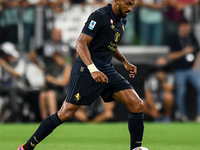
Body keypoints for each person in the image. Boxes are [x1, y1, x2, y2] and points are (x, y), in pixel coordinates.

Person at [17, 1, 145, 150]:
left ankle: (136, 149)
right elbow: (80, 44)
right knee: (65, 114)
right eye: (128, 4)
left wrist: (125, 62)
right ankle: (26, 147)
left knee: (137, 105)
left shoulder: (122, 18)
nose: (130, 8)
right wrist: (93, 69)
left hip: (106, 70)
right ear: (117, 1)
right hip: (86, 70)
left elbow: (111, 44)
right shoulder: (99, 16)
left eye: (132, 4)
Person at [28, 28, 72, 120]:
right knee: (43, 95)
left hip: (64, 91)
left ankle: (53, 119)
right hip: (52, 88)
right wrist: (40, 66)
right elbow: (32, 54)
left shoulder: (67, 66)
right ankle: (44, 120)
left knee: (50, 94)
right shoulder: (51, 66)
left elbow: (64, 83)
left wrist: (52, 80)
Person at [168, 18, 200, 122]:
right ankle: (182, 115)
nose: (186, 29)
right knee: (180, 92)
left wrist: (195, 66)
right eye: (184, 27)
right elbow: (171, 56)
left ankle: (199, 115)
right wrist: (184, 51)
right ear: (180, 27)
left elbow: (197, 52)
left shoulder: (191, 37)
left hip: (191, 69)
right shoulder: (174, 39)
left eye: (187, 27)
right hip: (179, 70)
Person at [0, 42, 26, 122]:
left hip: (18, 87)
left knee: (12, 90)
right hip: (3, 88)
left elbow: (17, 74)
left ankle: (16, 116)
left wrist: (6, 66)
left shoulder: (20, 62)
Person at [143, 57, 174, 122]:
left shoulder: (169, 76)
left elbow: (169, 89)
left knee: (169, 96)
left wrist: (163, 80)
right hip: (154, 101)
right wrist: (153, 109)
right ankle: (157, 116)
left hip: (164, 101)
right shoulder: (150, 78)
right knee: (140, 103)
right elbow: (148, 94)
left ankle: (167, 116)